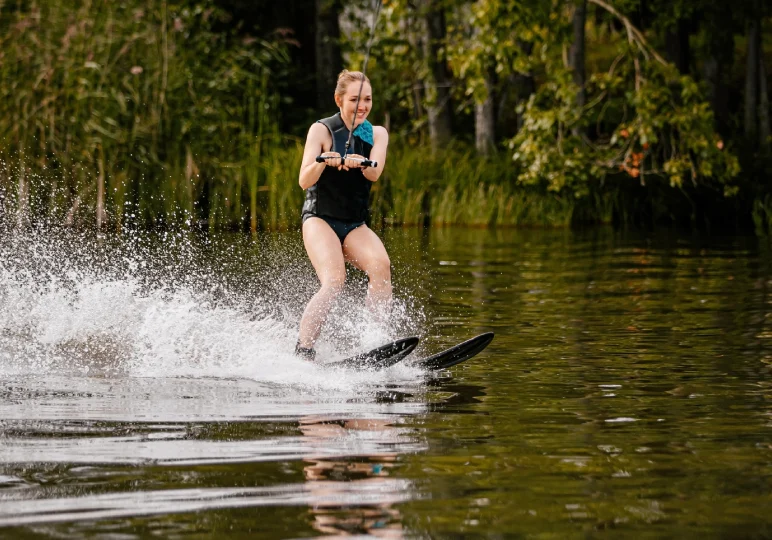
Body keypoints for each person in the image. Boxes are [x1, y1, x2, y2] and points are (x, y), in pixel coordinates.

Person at [295, 70, 391, 361]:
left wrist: (362, 162)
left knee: (381, 267)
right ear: (339, 100)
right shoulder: (321, 131)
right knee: (335, 279)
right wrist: (324, 160)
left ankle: (373, 343)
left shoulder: (376, 134)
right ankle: (304, 352)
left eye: (368, 99)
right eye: (355, 99)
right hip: (319, 218)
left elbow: (374, 173)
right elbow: (304, 180)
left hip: (354, 224)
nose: (362, 105)